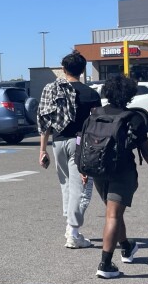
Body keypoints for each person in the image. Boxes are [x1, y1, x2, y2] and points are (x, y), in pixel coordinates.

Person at [85, 75, 148, 279]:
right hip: (122, 171)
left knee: (114, 212)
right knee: (113, 215)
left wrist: (84, 171)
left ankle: (127, 246)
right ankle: (105, 264)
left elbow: (81, 142)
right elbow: (144, 148)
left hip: (98, 170)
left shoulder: (94, 114)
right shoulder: (132, 118)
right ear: (129, 95)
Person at [36, 50, 102, 248]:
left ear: (63, 69)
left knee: (66, 185)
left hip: (57, 143)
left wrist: (42, 150)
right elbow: (97, 124)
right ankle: (73, 232)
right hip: (80, 143)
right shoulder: (91, 94)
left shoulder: (51, 90)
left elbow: (44, 120)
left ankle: (69, 226)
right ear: (83, 70)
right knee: (81, 188)